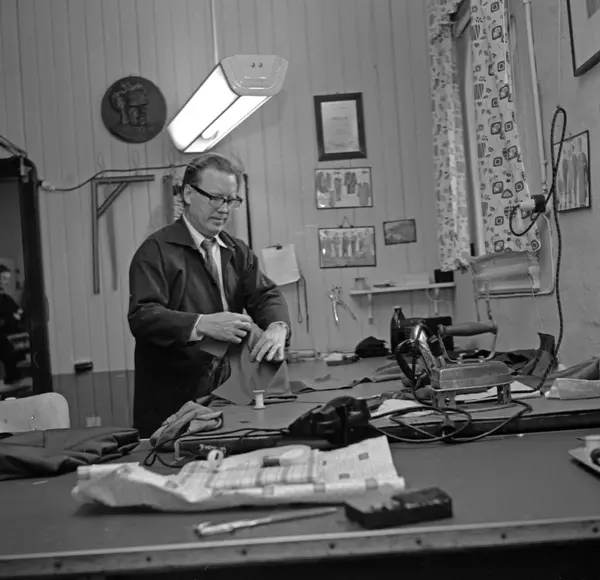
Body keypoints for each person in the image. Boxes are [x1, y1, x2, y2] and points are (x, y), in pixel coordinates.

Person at [128, 153, 291, 437]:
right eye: (216, 198)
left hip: (227, 396)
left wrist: (278, 327)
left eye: (231, 200)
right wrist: (201, 324)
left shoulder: (237, 251)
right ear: (188, 194)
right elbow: (143, 316)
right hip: (174, 403)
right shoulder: (155, 251)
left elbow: (265, 295)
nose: (224, 209)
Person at [0, 264, 24, 385]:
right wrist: (12, 317)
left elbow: (19, 311)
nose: (7, 282)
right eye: (4, 278)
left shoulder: (6, 298)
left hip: (12, 333)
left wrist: (17, 315)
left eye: (8, 279)